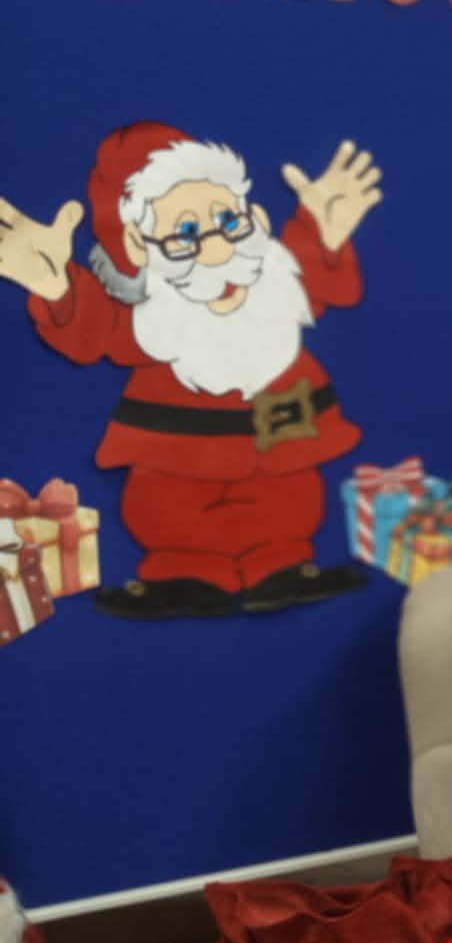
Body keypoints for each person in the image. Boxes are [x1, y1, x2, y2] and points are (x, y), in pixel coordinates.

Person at [0, 121, 380, 616]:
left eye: (228, 221)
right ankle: (184, 574)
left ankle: (281, 565)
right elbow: (94, 331)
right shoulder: (153, 319)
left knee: (291, 493)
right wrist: (56, 288)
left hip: (281, 432)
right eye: (185, 234)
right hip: (176, 449)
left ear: (255, 216)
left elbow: (317, 285)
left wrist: (322, 233)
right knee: (164, 502)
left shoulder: (275, 284)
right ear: (139, 245)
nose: (218, 250)